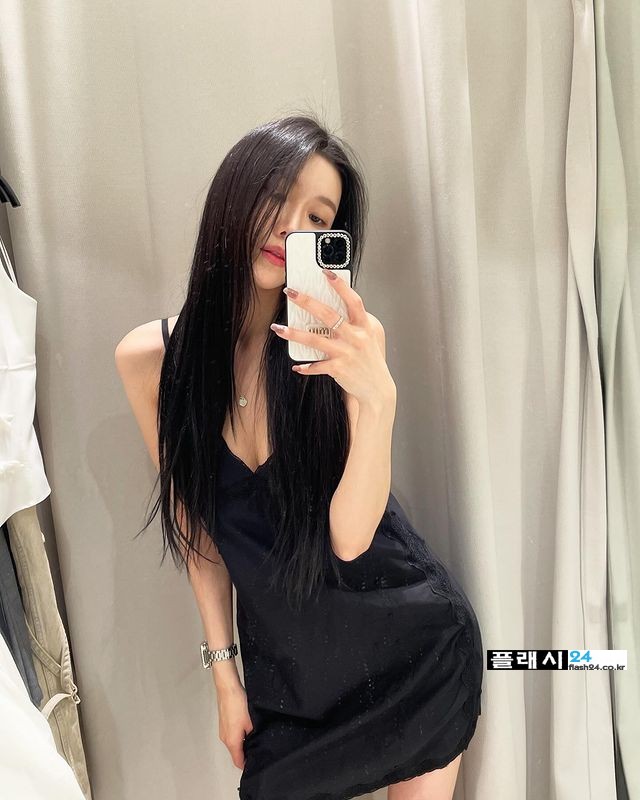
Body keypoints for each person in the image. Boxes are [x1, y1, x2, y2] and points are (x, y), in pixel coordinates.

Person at [115, 114, 483, 800]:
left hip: (412, 652)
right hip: (291, 688)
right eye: (276, 197)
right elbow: (200, 535)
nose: (291, 229)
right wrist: (225, 677)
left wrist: (378, 403)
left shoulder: (344, 347)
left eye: (317, 218)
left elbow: (350, 538)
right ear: (233, 192)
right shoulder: (153, 362)